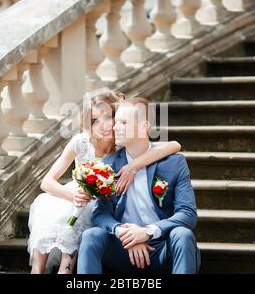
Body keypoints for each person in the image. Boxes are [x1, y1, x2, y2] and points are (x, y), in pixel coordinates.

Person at [27, 90, 182, 274]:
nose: (103, 125)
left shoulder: (123, 141)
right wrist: (72, 195)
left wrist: (134, 166)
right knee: (50, 207)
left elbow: (174, 145)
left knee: (84, 214)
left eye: (108, 117)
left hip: (102, 202)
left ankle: (65, 270)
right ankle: (37, 270)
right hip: (76, 196)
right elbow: (47, 182)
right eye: (94, 121)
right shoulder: (82, 142)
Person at [77, 97, 200, 274]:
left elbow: (188, 214)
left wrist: (148, 232)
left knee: (183, 235)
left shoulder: (174, 163)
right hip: (122, 249)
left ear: (144, 127)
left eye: (124, 122)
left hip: (161, 249)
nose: (114, 127)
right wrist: (124, 234)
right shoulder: (108, 166)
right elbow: (100, 214)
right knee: (91, 236)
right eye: (116, 121)